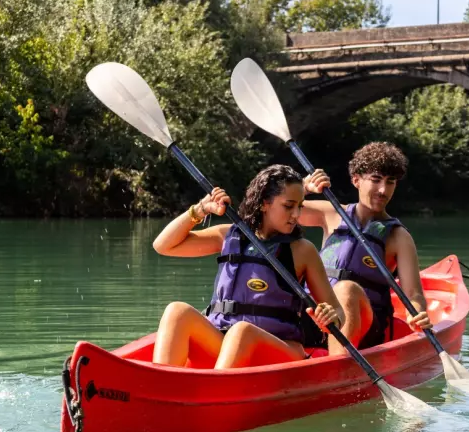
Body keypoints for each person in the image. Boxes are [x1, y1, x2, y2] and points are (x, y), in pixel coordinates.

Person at [151, 164, 343, 369]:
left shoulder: (303, 250)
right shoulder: (227, 236)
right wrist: (200, 210)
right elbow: (163, 246)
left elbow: (338, 311)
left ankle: (216, 393)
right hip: (225, 342)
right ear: (263, 204)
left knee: (243, 331)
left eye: (300, 206)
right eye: (288, 206)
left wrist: (332, 319)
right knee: (177, 311)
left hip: (280, 351)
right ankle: (160, 386)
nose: (296, 215)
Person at [299, 142, 432, 350]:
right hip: (317, 315)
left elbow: (414, 293)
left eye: (390, 182)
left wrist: (416, 313)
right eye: (376, 180)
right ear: (356, 180)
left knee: (347, 289)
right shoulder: (331, 214)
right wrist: (304, 187)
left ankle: (339, 368)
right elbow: (275, 211)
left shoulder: (399, 237)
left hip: (365, 325)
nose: (383, 190)